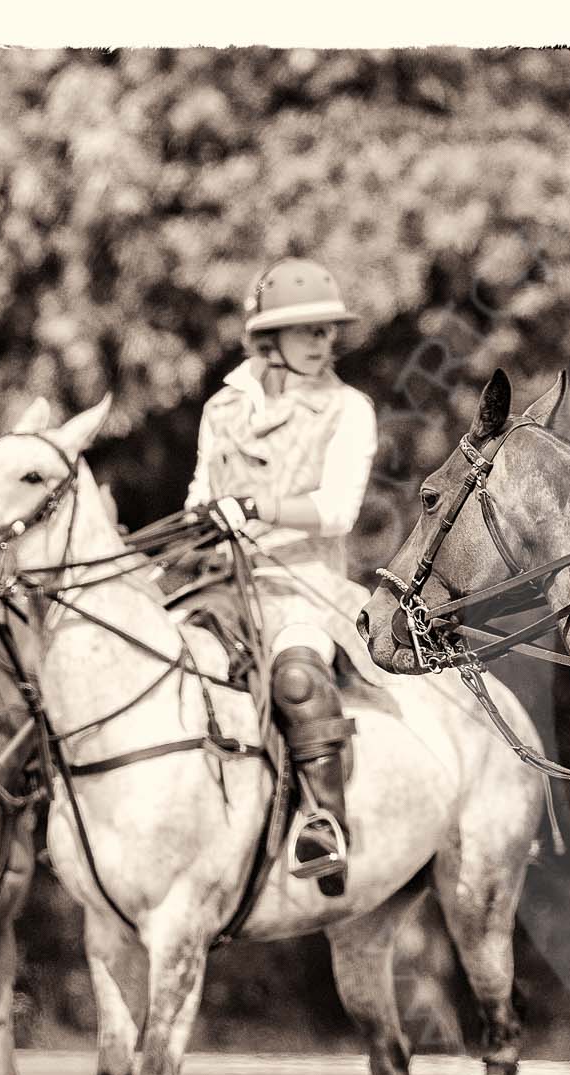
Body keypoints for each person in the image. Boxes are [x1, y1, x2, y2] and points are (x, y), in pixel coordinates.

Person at [186, 259, 377, 896]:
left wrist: (258, 508)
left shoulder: (349, 409)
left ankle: (325, 823)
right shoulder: (222, 406)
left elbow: (338, 511)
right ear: (269, 339)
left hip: (305, 590)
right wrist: (203, 516)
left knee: (295, 678)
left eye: (327, 330)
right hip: (224, 586)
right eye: (307, 331)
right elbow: (198, 493)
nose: (323, 342)